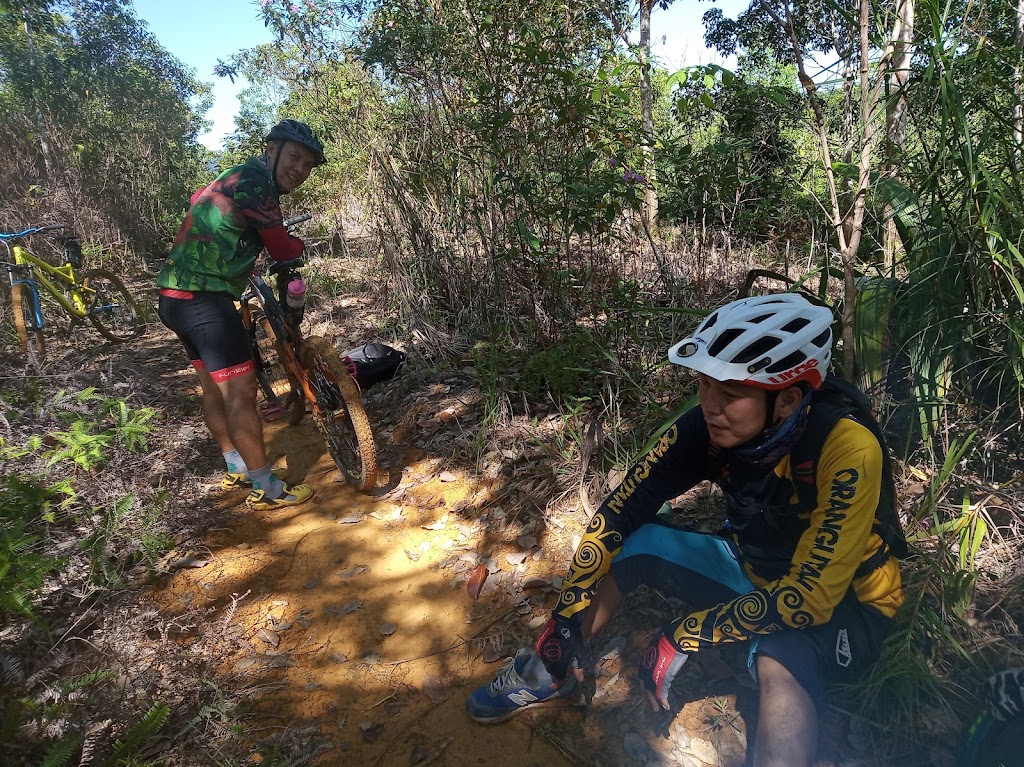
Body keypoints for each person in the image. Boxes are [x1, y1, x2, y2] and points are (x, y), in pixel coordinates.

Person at [466, 293, 906, 767]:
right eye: (704, 384)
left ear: (788, 399)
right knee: (636, 542)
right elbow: (619, 511)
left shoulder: (847, 446)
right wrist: (567, 616)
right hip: (754, 570)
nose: (710, 405)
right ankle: (550, 670)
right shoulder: (708, 426)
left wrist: (684, 633)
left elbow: (811, 598)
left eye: (730, 394)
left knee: (780, 654)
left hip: (847, 608)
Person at [157, 119, 326, 510]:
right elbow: (282, 248)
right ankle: (266, 489)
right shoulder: (256, 183)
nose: (299, 169)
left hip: (174, 298)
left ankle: (235, 464)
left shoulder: (234, 175)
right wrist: (297, 245)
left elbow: (207, 210)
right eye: (295, 157)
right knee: (242, 394)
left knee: (214, 389)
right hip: (205, 300)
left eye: (307, 165)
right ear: (272, 149)